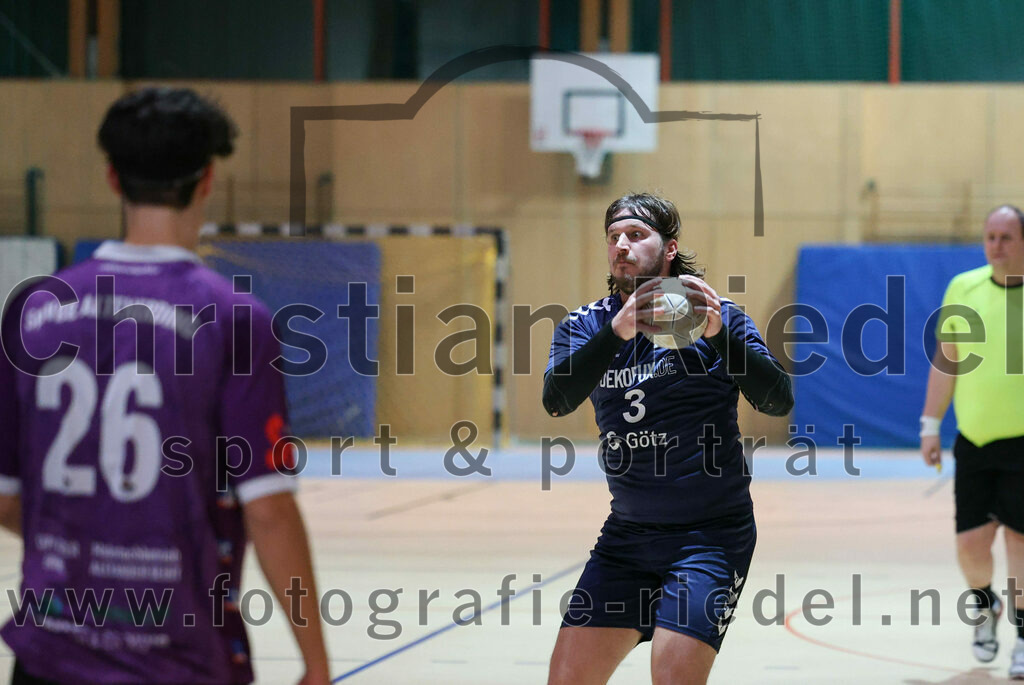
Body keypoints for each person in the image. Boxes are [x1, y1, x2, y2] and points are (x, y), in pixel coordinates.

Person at [0, 88, 330, 685]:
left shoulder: (32, 314)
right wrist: (316, 662)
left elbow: (4, 496)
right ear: (206, 181)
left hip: (49, 654)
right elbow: (271, 510)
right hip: (177, 656)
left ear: (111, 177)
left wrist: (90, 530)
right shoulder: (234, 320)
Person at [542, 192, 793, 685]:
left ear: (669, 248)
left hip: (710, 538)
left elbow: (777, 399)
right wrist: (615, 332)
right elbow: (557, 399)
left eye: (636, 235)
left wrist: (721, 336)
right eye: (614, 237)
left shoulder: (715, 316)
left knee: (673, 677)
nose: (621, 245)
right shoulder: (587, 325)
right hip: (628, 539)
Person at [920, 204, 1024, 679]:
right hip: (975, 442)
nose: (996, 245)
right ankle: (986, 608)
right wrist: (929, 424)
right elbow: (947, 361)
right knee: (970, 547)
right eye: (990, 236)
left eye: (1006, 236)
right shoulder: (964, 287)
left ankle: (1023, 635)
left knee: (1021, 543)